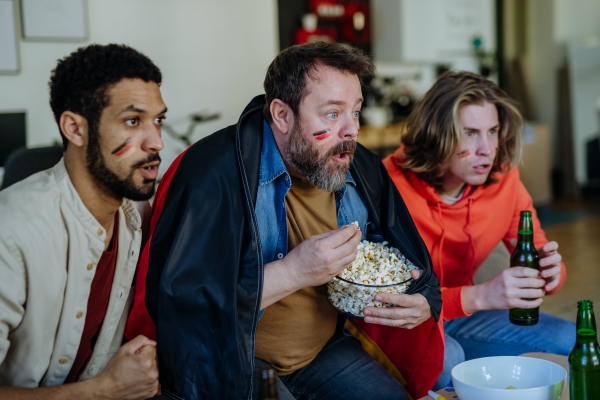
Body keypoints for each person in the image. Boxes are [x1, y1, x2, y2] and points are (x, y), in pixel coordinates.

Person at [125, 41, 442, 400]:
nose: (351, 129)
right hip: (233, 361)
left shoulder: (360, 165)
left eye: (355, 111)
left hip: (323, 351)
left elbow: (404, 253)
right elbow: (181, 306)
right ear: (281, 115)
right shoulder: (211, 173)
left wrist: (421, 297)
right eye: (332, 114)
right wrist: (293, 271)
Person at [356, 71, 573, 390]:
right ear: (436, 134)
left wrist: (551, 272)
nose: (487, 148)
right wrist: (480, 296)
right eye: (470, 133)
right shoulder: (387, 185)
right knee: (449, 363)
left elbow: (537, 249)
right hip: (397, 323)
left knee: (571, 339)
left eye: (493, 131)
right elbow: (384, 300)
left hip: (461, 314)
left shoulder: (505, 180)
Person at [0, 44, 166, 399]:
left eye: (158, 120)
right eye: (133, 121)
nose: (157, 142)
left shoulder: (135, 215)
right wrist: (104, 390)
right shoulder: (11, 235)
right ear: (75, 129)